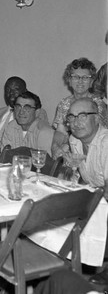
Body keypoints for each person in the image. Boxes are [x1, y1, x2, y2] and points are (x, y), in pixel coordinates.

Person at [65, 98, 108, 287]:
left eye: (82, 116)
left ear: (97, 118)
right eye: (71, 117)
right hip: (98, 196)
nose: (76, 122)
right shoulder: (75, 140)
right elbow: (82, 177)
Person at [0, 76, 48, 151]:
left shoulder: (36, 113)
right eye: (8, 90)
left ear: (25, 91)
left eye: (16, 90)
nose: (11, 93)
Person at [53, 57, 106, 135]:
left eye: (85, 77)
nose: (80, 81)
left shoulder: (98, 104)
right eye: (75, 77)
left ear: (91, 82)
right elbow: (60, 132)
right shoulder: (64, 103)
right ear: (69, 81)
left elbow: (101, 133)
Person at [1, 91, 65, 156]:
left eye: (27, 108)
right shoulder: (11, 127)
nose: (21, 112)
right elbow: (5, 157)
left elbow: (45, 163)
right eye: (18, 106)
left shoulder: (44, 132)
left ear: (37, 112)